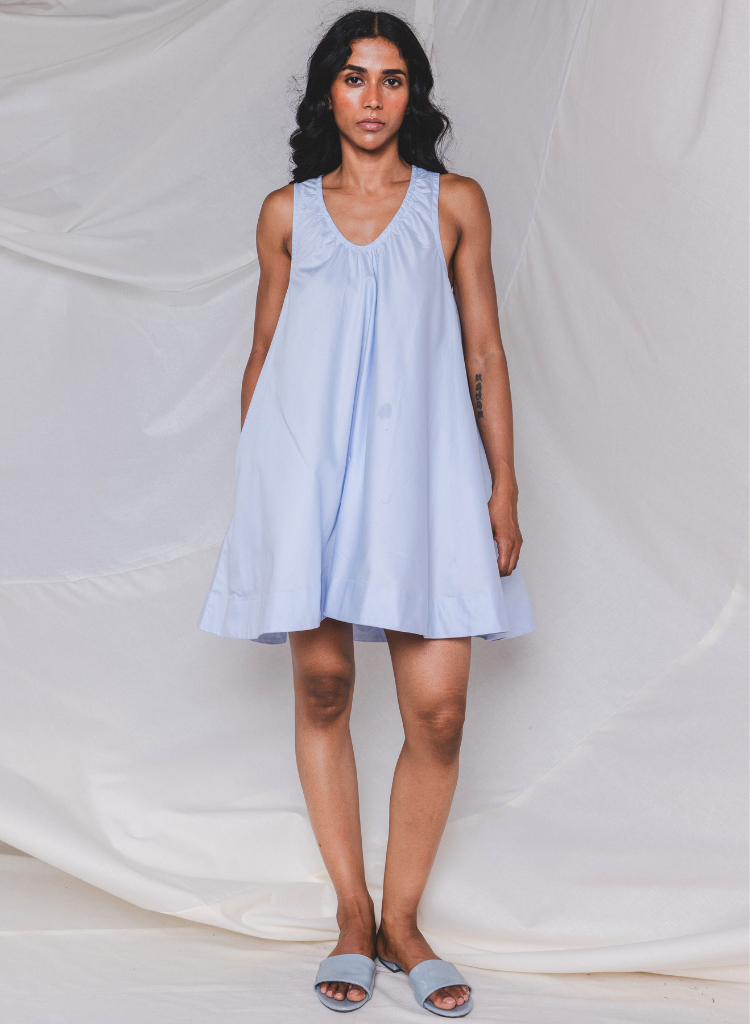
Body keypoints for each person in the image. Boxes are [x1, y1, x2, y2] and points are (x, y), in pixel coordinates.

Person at [198, 9, 535, 1017]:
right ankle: (353, 913)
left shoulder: (455, 204)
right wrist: (262, 499)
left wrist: (503, 483)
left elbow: (484, 350)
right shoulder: (285, 214)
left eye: (392, 79)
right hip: (306, 478)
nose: (373, 98)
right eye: (354, 77)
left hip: (427, 477)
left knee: (439, 710)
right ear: (327, 94)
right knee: (326, 687)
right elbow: (265, 353)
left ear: (413, 93)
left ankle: (404, 919)